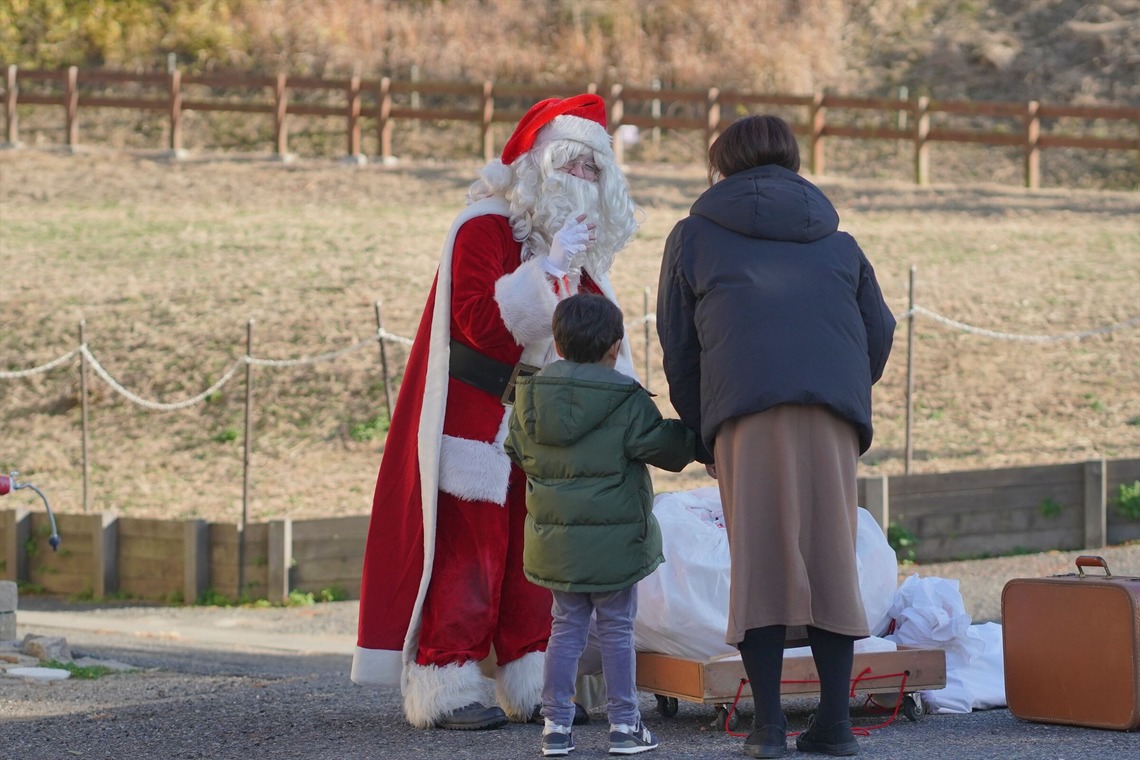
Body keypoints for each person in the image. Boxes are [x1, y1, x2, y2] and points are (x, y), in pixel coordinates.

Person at [351, 94, 642, 731]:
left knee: (537, 558)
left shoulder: (582, 254)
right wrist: (548, 270)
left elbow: (598, 342)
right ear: (537, 168)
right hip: (477, 420)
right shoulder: (481, 228)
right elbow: (479, 324)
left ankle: (534, 680)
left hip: (545, 426)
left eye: (594, 169)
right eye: (572, 165)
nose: (583, 180)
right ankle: (445, 681)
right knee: (471, 556)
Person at [656, 114, 896, 758]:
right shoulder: (838, 241)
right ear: (792, 161)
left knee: (759, 564)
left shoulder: (693, 237)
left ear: (721, 165)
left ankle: (767, 729)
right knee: (831, 561)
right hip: (832, 412)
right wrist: (846, 388)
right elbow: (879, 330)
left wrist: (704, 430)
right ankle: (835, 726)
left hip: (743, 411)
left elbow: (679, 344)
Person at [504, 293, 697, 757]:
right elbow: (665, 448)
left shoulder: (530, 397)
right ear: (615, 346)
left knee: (565, 628)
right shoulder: (625, 398)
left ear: (557, 343)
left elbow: (515, 451)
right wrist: (699, 436)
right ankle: (625, 725)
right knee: (616, 629)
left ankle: (555, 727)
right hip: (615, 544)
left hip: (556, 542)